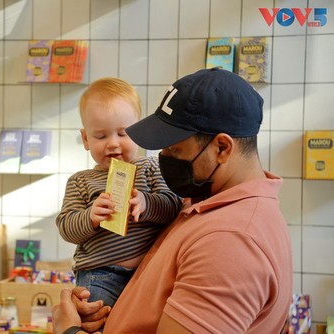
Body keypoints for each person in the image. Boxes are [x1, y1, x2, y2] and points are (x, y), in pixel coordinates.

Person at [52, 68, 293, 334]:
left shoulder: (231, 240)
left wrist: (69, 331)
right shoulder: (208, 201)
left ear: (222, 148)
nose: (163, 156)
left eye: (174, 149)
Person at [56, 77, 182, 309]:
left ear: (139, 130)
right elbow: (66, 227)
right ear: (85, 139)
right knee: (93, 316)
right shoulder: (81, 181)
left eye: (123, 134)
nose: (113, 144)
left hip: (150, 272)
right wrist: (90, 217)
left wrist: (147, 203)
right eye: (101, 136)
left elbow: (174, 206)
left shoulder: (151, 168)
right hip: (99, 275)